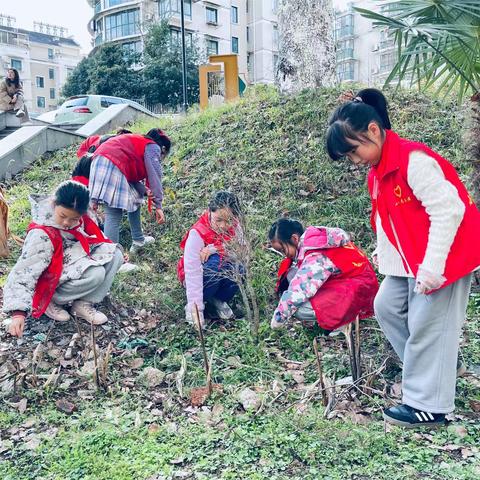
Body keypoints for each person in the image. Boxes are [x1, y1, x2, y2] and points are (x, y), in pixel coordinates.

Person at [326, 88, 480, 428]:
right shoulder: (378, 169)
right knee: (387, 306)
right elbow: (388, 220)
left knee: (427, 323)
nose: (354, 161)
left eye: (353, 151)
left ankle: (429, 407)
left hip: (447, 254)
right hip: (413, 258)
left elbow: (449, 210)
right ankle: (441, 367)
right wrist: (387, 255)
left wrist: (433, 269)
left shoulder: (413, 160)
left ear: (374, 131)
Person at [3, 181, 124, 338]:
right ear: (54, 204)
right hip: (49, 280)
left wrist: (111, 250)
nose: (67, 223)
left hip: (71, 264)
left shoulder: (84, 218)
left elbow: (95, 238)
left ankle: (82, 304)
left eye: (74, 219)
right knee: (96, 273)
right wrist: (18, 313)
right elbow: (23, 272)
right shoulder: (41, 234)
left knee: (115, 255)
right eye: (63, 216)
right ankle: (49, 300)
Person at [269, 218, 378, 332]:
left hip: (360, 290)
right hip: (354, 281)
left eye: (282, 250)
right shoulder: (314, 241)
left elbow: (298, 291)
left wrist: (278, 319)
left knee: (301, 310)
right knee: (292, 275)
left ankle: (344, 323)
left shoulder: (316, 255)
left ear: (294, 239)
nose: (283, 255)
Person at [88, 128, 171, 253]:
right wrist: (158, 206)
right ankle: (112, 257)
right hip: (112, 163)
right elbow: (155, 176)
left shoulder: (137, 144)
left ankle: (138, 240)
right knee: (113, 214)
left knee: (135, 197)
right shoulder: (153, 147)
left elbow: (131, 179)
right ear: (163, 149)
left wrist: (144, 190)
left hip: (100, 161)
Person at [177, 191, 243, 328]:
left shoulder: (237, 227)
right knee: (215, 262)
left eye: (229, 220)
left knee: (240, 267)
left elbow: (242, 251)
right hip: (199, 277)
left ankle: (218, 299)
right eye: (218, 220)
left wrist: (215, 248)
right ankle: (195, 304)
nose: (223, 226)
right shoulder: (197, 233)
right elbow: (192, 271)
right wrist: (196, 309)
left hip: (221, 270)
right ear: (209, 212)